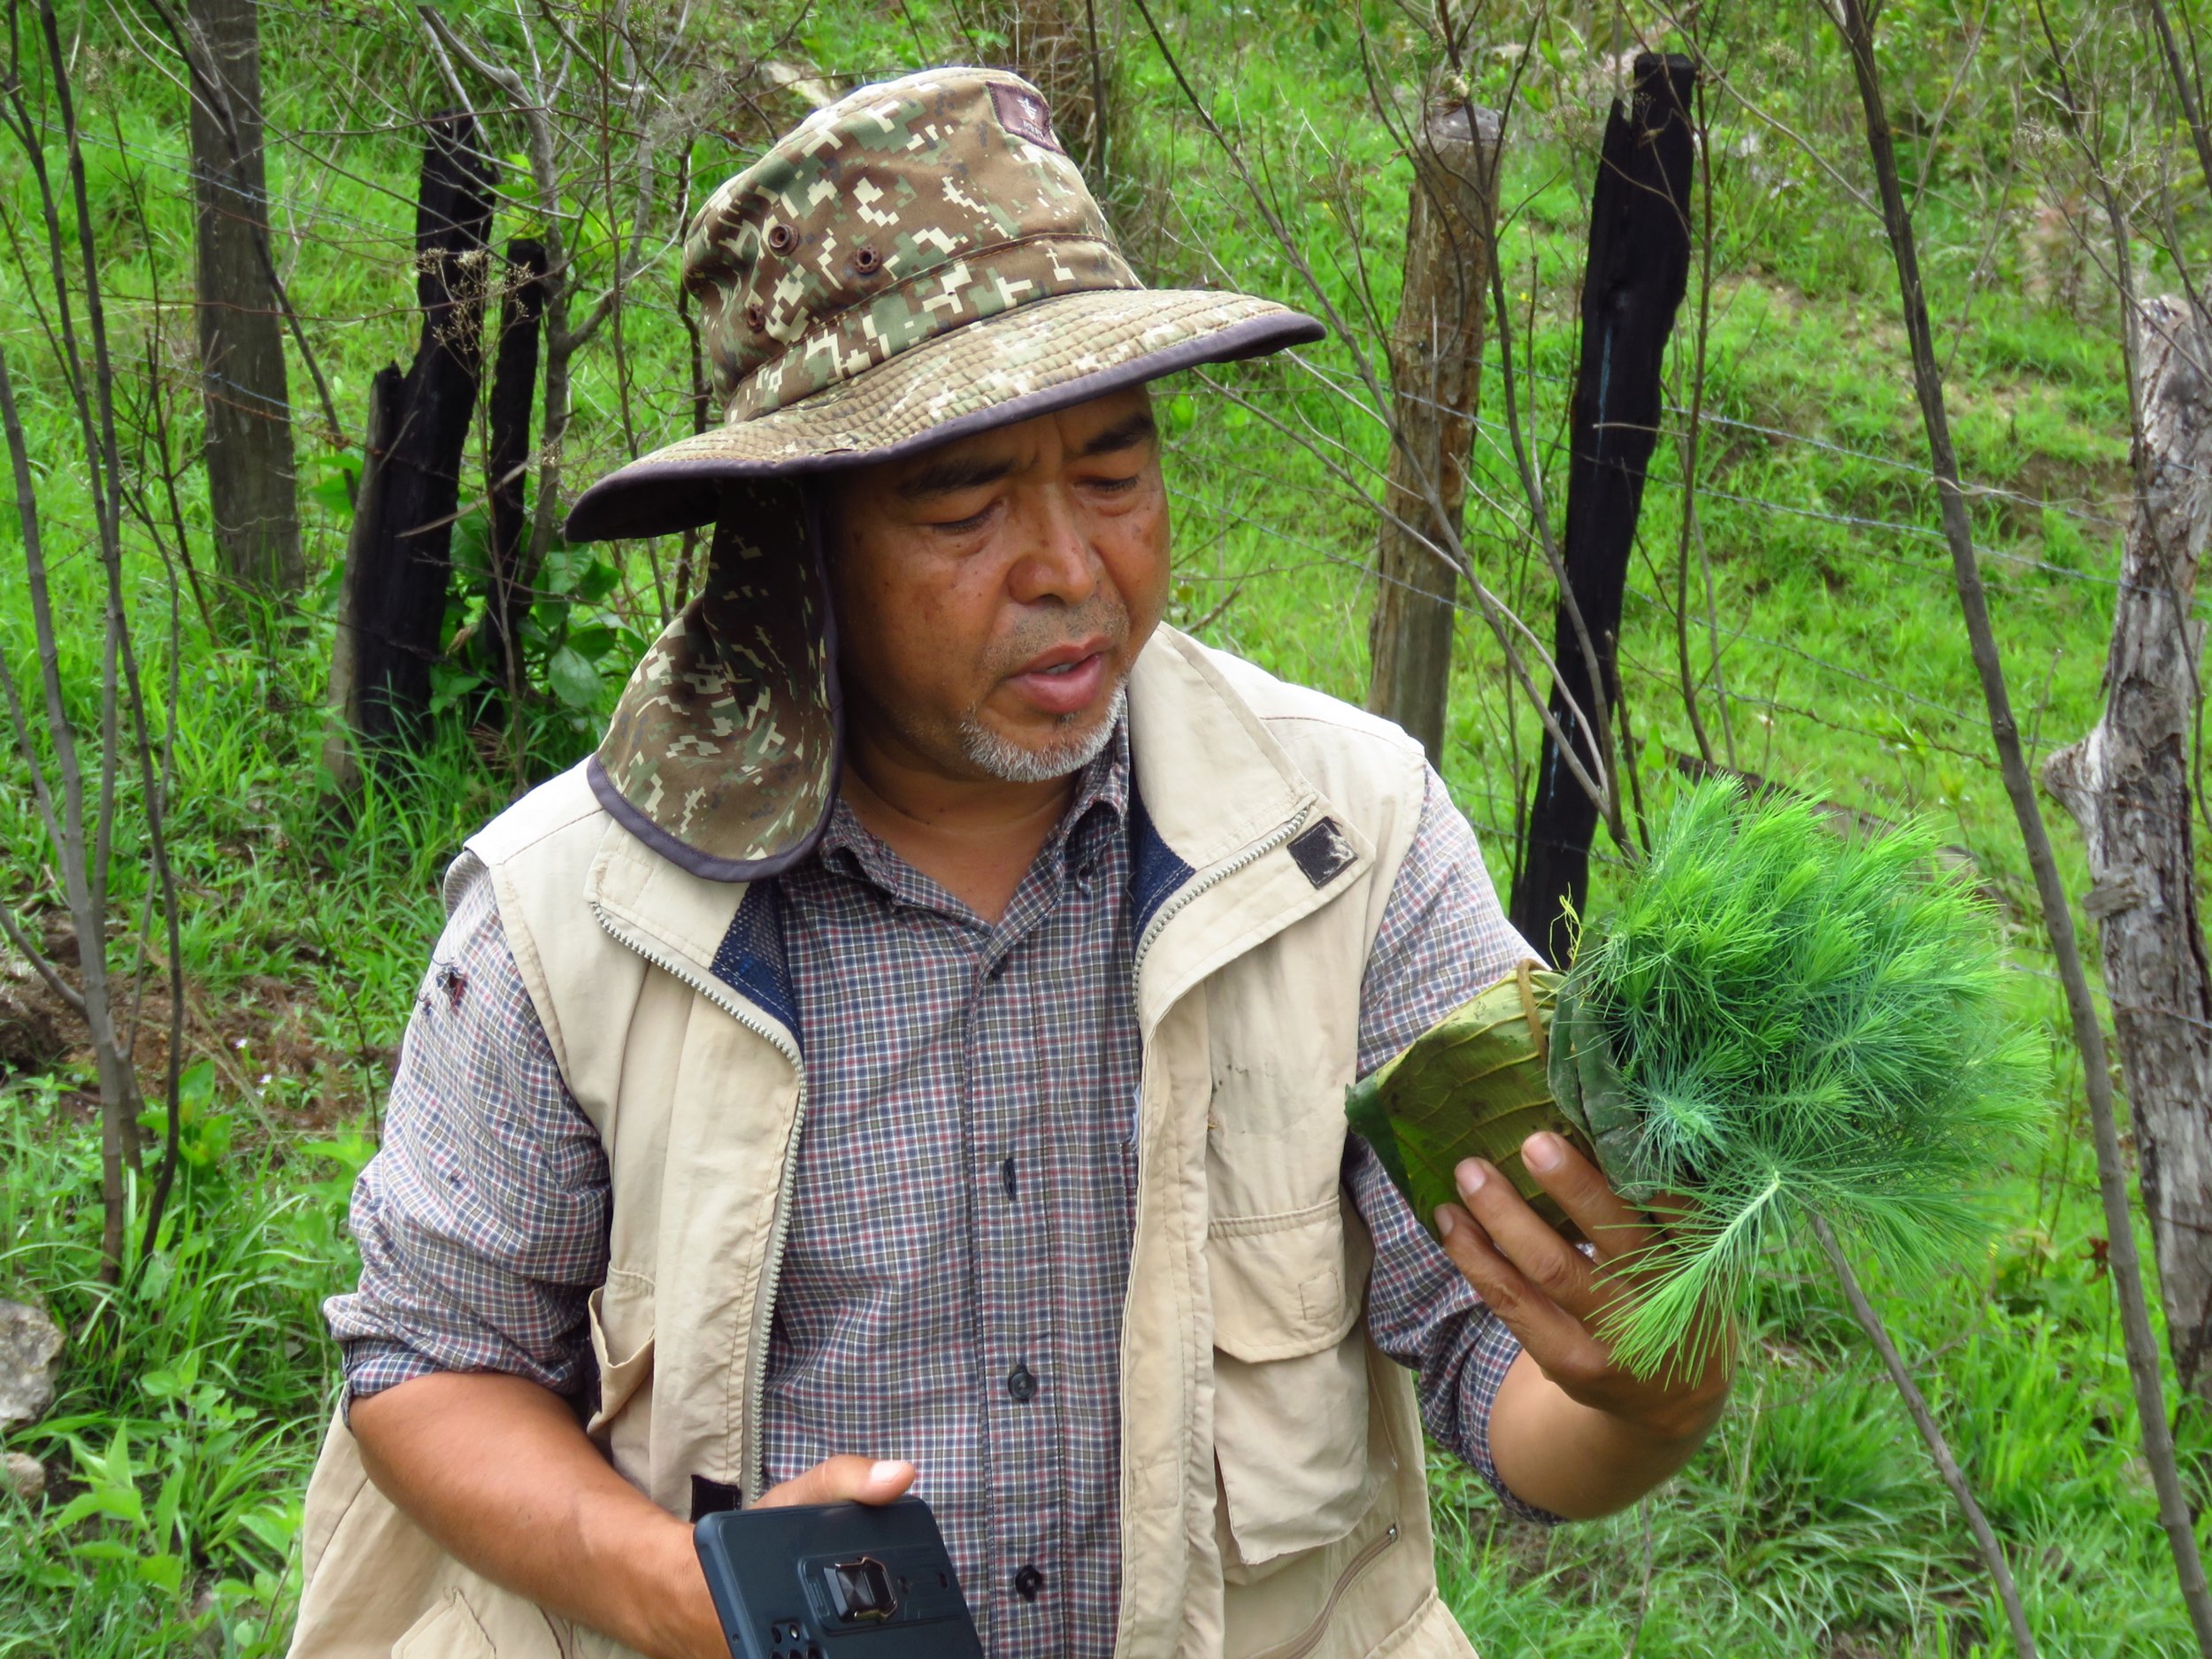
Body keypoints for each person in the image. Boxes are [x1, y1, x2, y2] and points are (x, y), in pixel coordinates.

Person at [288, 65, 1730, 1659]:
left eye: (1114, 472)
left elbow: (1505, 1368)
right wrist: (676, 1591)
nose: (1073, 568)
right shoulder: (578, 909)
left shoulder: (1347, 838)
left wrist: (1647, 1393)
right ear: (798, 537)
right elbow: (428, 1361)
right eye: (965, 502)